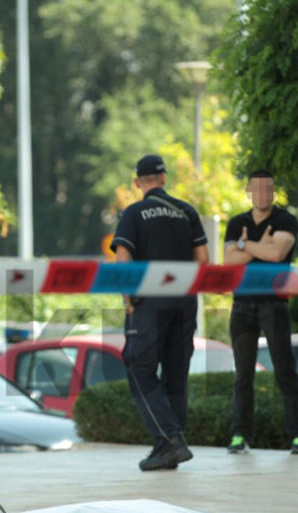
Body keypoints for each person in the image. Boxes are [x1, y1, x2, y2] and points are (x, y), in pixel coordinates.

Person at [110, 154, 209, 471]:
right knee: (176, 373)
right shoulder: (187, 211)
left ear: (138, 182)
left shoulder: (134, 212)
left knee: (138, 366)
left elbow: (123, 257)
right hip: (184, 302)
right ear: (164, 179)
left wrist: (128, 297)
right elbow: (203, 260)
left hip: (148, 303)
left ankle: (169, 440)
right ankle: (167, 448)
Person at [222, 170, 298, 454]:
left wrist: (244, 245)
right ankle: (240, 436)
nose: (263, 194)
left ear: (274, 191)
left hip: (274, 304)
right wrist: (260, 246)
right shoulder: (237, 222)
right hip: (242, 305)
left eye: (268, 189)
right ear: (249, 190)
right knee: (242, 375)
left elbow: (276, 256)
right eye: (258, 189)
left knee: (284, 370)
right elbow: (228, 261)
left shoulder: (286, 220)